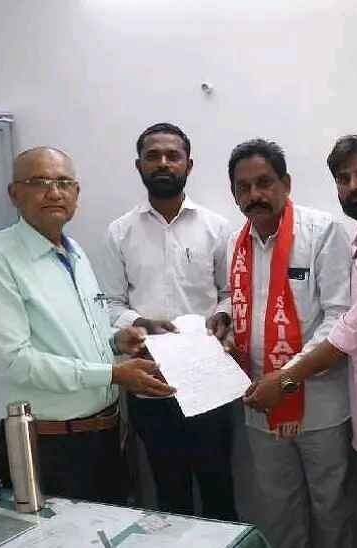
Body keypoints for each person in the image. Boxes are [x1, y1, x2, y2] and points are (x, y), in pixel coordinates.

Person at [0, 147, 174, 504]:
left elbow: (72, 337)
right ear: (14, 194)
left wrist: (116, 341)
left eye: (64, 183)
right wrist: (113, 374)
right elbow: (14, 361)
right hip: (48, 446)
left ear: (76, 193)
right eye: (39, 182)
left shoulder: (73, 251)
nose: (54, 192)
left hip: (106, 436)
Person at [243, 134, 357, 547]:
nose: (353, 186)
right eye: (343, 178)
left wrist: (285, 378)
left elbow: (349, 326)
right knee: (286, 512)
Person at [211, 139, 354, 548]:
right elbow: (239, 298)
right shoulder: (234, 243)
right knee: (278, 512)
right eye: (243, 187)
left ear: (286, 184)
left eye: (264, 183)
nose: (254, 194)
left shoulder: (321, 232)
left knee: (332, 511)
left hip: (320, 406)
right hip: (259, 405)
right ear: (234, 194)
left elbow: (340, 317)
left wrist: (287, 378)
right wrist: (224, 316)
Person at [99, 123, 235, 519]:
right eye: (153, 156)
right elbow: (108, 304)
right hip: (150, 382)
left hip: (209, 381)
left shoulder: (216, 227)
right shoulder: (119, 232)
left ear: (188, 165)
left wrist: (224, 314)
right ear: (138, 165)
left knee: (219, 489)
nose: (163, 163)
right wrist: (140, 320)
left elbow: (231, 291)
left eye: (172, 156)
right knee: (170, 494)